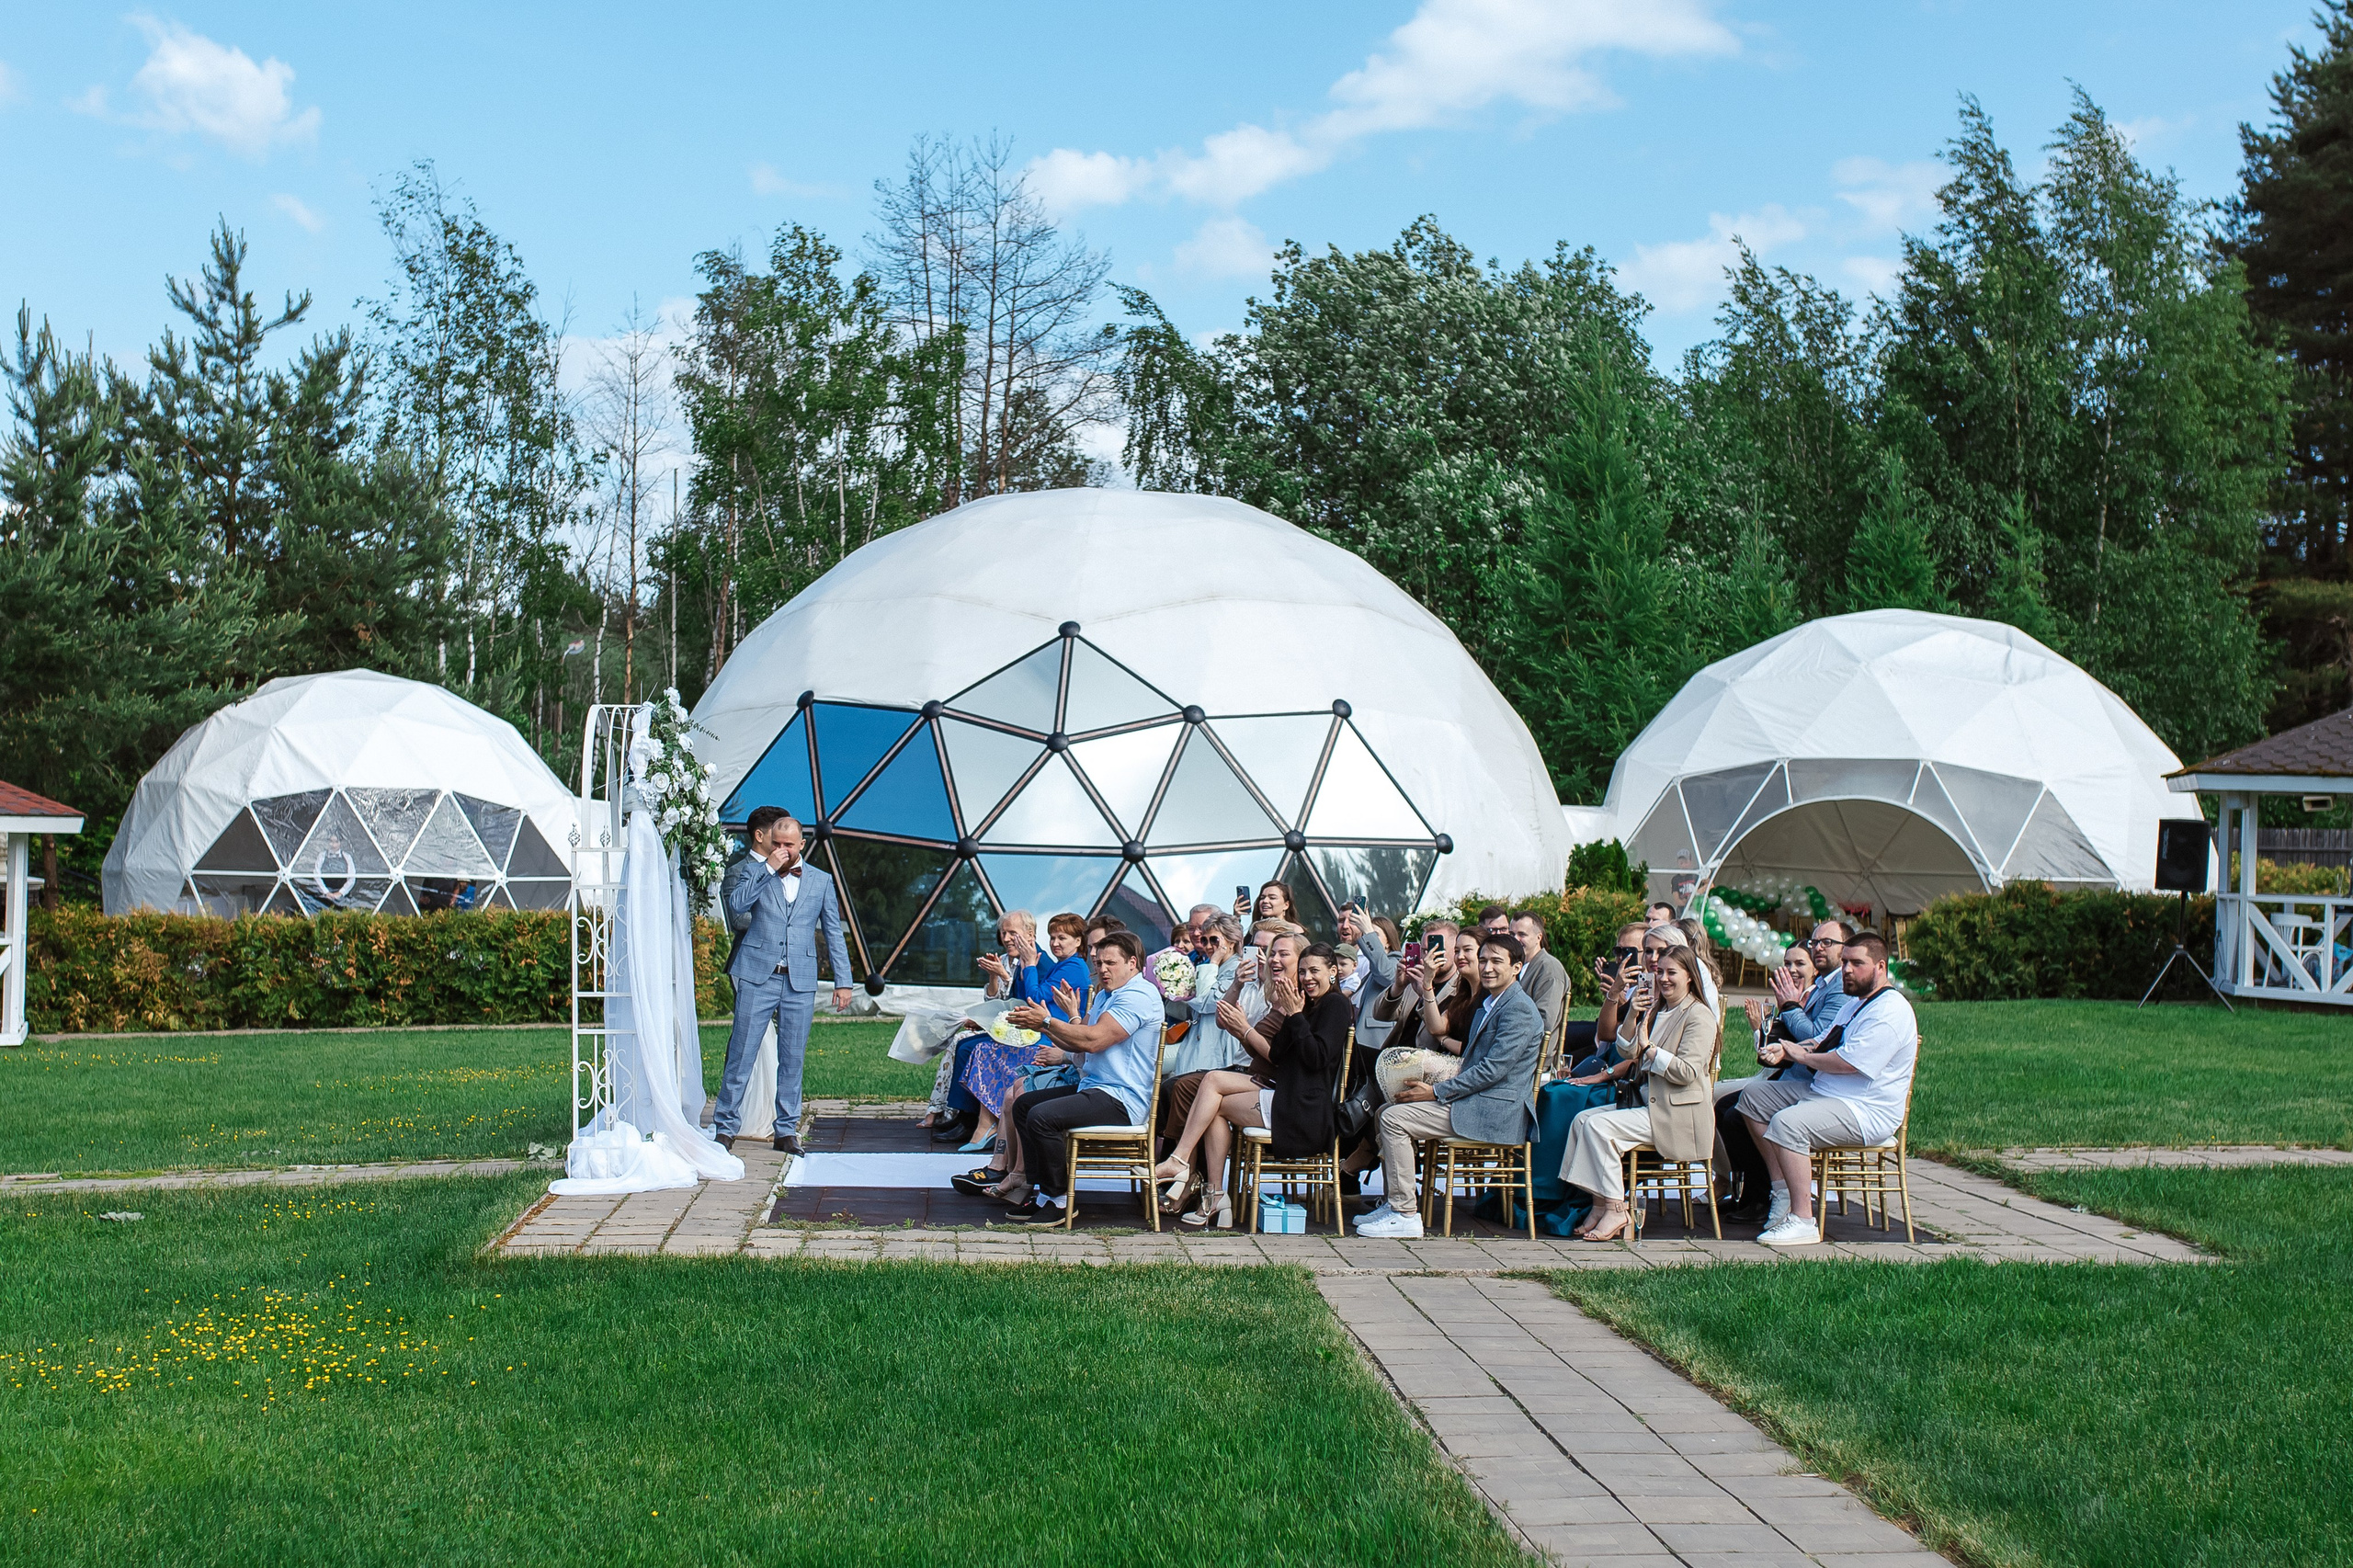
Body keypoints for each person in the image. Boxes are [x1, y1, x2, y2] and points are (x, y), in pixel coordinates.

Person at [1735, 932, 1918, 1247]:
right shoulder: (1856, 1004)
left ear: (1880, 967)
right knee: (1753, 1098)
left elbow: (1849, 1062)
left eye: (1856, 963)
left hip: (1864, 1110)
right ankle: (1782, 1193)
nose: (1847, 970)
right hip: (1829, 1094)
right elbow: (1824, 1041)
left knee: (1788, 1123)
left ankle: (1803, 1220)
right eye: (1845, 962)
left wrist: (1801, 1055)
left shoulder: (1890, 1011)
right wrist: (1785, 1048)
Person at [1356, 933, 1542, 1239]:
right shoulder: (1492, 1002)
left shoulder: (1518, 1009)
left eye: (1497, 961)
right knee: (1387, 1111)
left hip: (1494, 1112)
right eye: (1483, 960)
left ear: (1517, 967)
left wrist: (1435, 1091)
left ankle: (1405, 1215)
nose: (1487, 968)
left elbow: (1491, 1071)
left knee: (1393, 1119)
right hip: (1475, 1101)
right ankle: (1394, 1203)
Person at [1155, 941, 1349, 1227]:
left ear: (1333, 971)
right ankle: (1205, 1183)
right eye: (1304, 972)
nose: (1307, 978)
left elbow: (1316, 1058)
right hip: (1286, 1092)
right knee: (1212, 1085)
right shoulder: (1304, 1004)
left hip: (1305, 1108)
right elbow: (1277, 1054)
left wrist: (1294, 1016)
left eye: (1314, 971)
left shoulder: (1336, 1004)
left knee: (1213, 1096)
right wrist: (1287, 1010)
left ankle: (1198, 1178)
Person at [1556, 947, 1722, 1242]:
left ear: (1690, 977)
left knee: (1598, 1128)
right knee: (1582, 1121)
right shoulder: (1660, 1009)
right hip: (1648, 1105)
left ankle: (1617, 1209)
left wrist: (1649, 1049)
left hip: (1677, 1115)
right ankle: (1599, 1204)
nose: (1664, 978)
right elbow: (1626, 1050)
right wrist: (1633, 1012)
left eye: (1672, 972)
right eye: (1661, 972)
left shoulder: (1699, 1016)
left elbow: (1686, 1072)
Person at [999, 931, 1165, 1223]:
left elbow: (1093, 1041)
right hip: (1096, 1087)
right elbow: (1077, 1041)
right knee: (1024, 1105)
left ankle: (1062, 1201)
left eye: (1110, 963)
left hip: (1122, 1098)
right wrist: (1044, 1024)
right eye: (1098, 963)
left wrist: (1047, 1021)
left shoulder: (1138, 995)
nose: (1101, 969)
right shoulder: (1105, 994)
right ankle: (1045, 1194)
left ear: (1133, 963)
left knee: (1042, 1116)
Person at [716, 812, 853, 1157]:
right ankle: (725, 1128)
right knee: (741, 1053)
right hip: (757, 974)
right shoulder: (753, 871)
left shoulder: (820, 881)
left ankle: (786, 1130)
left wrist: (844, 981)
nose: (781, 850)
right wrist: (766, 870)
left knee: (792, 1057)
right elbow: (736, 908)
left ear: (801, 845)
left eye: (788, 845)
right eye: (776, 844)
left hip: (800, 979)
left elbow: (833, 933)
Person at [953, 913, 1094, 1199]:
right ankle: (999, 1160)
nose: (1055, 943)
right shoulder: (1061, 964)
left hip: (1046, 1041)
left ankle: (1011, 1166)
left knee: (988, 1057)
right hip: (1042, 1036)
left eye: (1062, 938)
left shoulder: (1071, 967)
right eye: (1053, 937)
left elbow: (1035, 999)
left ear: (1079, 942)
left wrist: (1028, 965)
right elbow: (1012, 1002)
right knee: (976, 1051)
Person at [1337, 903, 1398, 1051]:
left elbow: (1387, 976)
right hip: (1361, 1040)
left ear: (1388, 941)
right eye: (1367, 934)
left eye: (1374, 934)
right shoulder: (1374, 965)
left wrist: (1367, 930)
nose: (1369, 938)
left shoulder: (1395, 960)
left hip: (1376, 1042)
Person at [1509, 908, 1569, 1040]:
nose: (1515, 939)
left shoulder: (1549, 968)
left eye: (1522, 935)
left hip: (1532, 1054)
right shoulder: (1516, 966)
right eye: (1511, 934)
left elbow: (1544, 1022)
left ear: (1538, 937)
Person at [1234, 880, 1302, 929]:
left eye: (1272, 898)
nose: (1265, 901)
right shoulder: (1255, 930)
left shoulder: (1295, 930)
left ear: (1286, 905)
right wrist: (1236, 918)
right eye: (1262, 898)